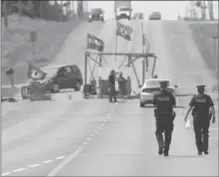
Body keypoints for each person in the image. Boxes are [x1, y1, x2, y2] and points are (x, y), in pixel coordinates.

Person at [184, 85, 216, 155]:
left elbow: (190, 108)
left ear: (198, 90)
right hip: (206, 119)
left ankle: (199, 150)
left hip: (197, 119)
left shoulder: (195, 98)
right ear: (203, 90)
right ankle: (205, 149)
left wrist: (186, 116)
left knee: (197, 134)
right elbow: (212, 107)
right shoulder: (207, 97)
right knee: (205, 133)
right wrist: (214, 116)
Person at [153, 81, 176, 156]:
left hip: (159, 117)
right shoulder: (170, 95)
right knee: (168, 134)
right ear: (166, 86)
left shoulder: (156, 95)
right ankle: (166, 151)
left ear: (160, 87)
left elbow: (154, 104)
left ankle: (160, 145)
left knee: (158, 132)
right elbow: (173, 104)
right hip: (169, 117)